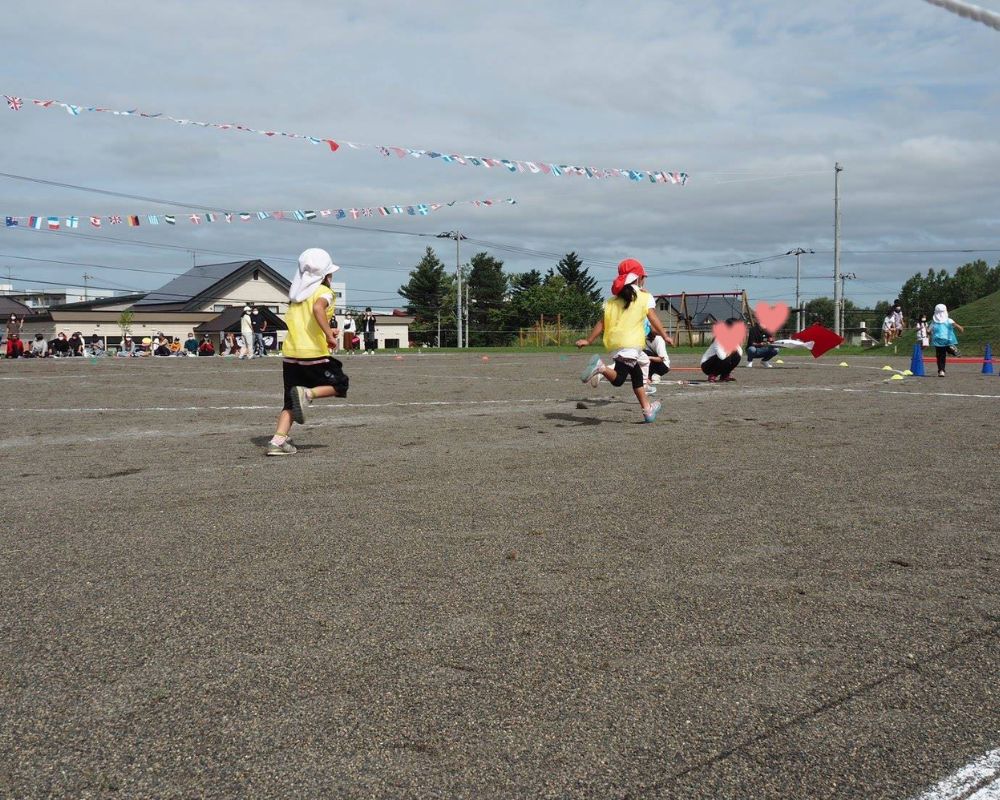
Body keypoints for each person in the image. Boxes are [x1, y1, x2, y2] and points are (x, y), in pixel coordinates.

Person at [267, 248, 350, 456]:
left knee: (290, 401)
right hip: (312, 352)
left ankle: (277, 441)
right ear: (325, 275)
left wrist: (327, 330)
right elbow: (318, 310)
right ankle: (308, 394)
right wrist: (330, 336)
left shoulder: (296, 295)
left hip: (291, 354)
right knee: (339, 384)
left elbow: (307, 319)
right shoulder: (323, 292)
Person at [576, 261, 669, 423]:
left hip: (615, 343)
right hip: (631, 344)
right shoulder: (645, 297)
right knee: (619, 379)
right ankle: (600, 367)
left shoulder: (612, 300)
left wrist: (589, 340)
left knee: (637, 375)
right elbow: (653, 318)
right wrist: (665, 335)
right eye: (643, 277)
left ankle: (648, 411)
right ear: (638, 277)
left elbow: (602, 322)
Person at [930, 303, 964, 377]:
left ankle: (941, 371)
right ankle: (951, 349)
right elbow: (958, 327)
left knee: (940, 356)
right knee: (944, 351)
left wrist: (928, 333)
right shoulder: (949, 320)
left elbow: (928, 330)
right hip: (947, 340)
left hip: (937, 341)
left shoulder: (934, 322)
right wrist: (960, 328)